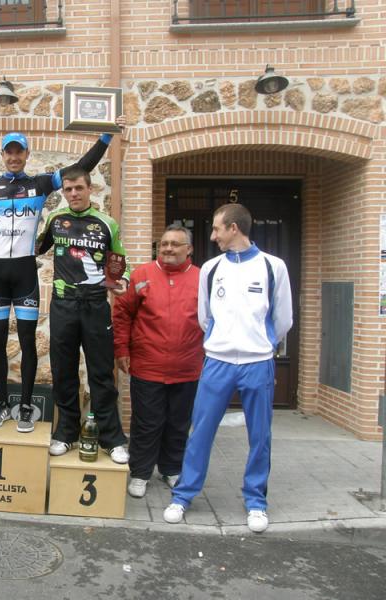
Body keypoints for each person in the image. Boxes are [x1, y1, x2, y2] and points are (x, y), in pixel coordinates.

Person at [0, 117, 124, 433]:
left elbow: (80, 167)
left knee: (26, 342)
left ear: (26, 154)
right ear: (2, 155)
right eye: (8, 152)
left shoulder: (39, 184)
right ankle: (1, 402)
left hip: (25, 271)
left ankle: (24, 406)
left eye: (18, 152)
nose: (13, 157)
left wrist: (106, 135)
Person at [163, 203, 292, 534]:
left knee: (259, 436)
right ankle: (183, 495)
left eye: (217, 228)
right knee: (201, 431)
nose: (213, 235)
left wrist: (259, 344)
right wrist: (223, 342)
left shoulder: (272, 267)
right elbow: (206, 318)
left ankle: (256, 502)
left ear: (234, 228)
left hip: (257, 362)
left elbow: (283, 320)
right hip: (217, 361)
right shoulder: (211, 268)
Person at [36, 167, 130, 462]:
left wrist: (120, 281)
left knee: (101, 373)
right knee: (63, 371)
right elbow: (35, 248)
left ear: (90, 189)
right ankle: (66, 433)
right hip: (63, 305)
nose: (73, 194)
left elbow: (118, 262)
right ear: (63, 192)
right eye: (68, 189)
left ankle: (111, 438)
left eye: (78, 188)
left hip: (95, 305)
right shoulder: (55, 220)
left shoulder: (107, 224)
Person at [113, 225, 203, 498]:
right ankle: (140, 472)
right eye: (163, 243)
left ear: (189, 249)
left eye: (175, 244)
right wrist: (121, 350)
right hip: (147, 366)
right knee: (146, 423)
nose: (168, 248)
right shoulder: (142, 275)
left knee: (178, 422)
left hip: (188, 368)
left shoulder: (203, 278)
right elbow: (122, 314)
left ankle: (171, 468)